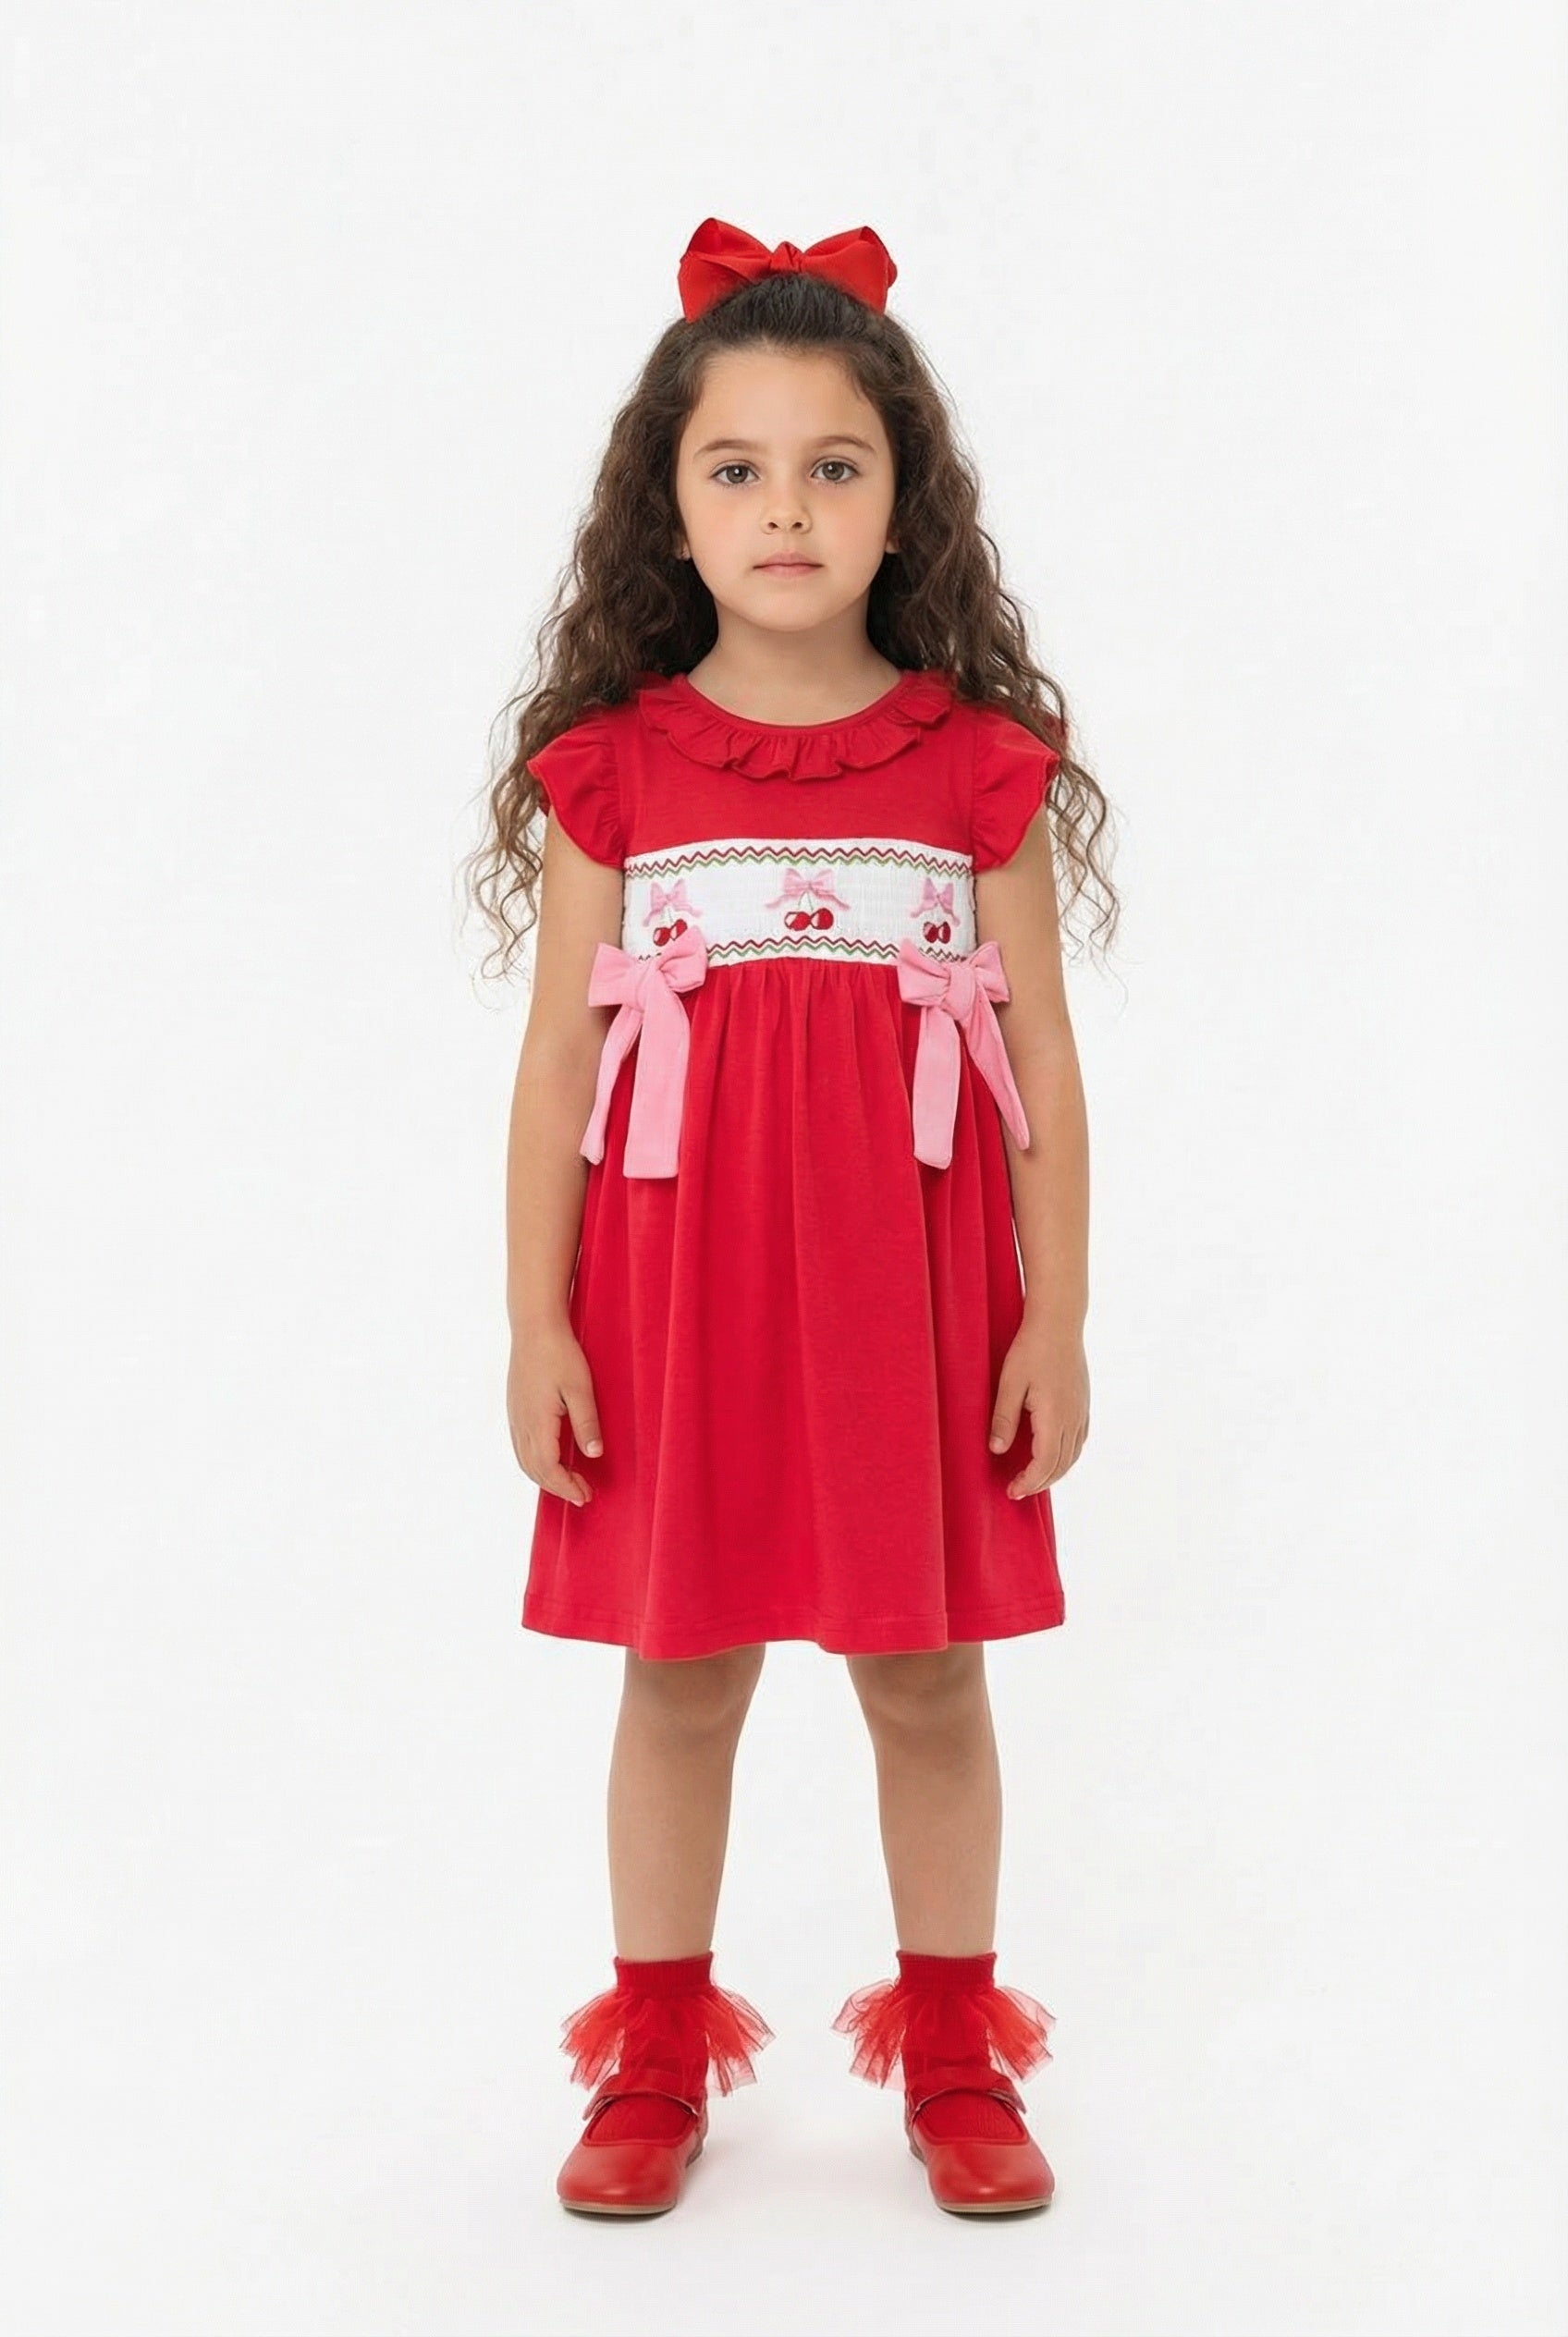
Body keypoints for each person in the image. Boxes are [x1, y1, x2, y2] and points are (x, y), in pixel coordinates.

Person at [463, 215, 1119, 2220]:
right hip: (675, 1310)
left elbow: (1045, 1085)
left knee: (923, 1673)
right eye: (732, 467)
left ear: (901, 499)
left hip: (910, 1309)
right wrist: (538, 1323)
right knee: (680, 1674)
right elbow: (559, 1086)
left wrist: (1055, 1318)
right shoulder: (617, 776)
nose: (783, 506)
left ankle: (950, 2050)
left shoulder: (973, 769)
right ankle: (653, 2053)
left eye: (832, 465)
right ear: (663, 506)